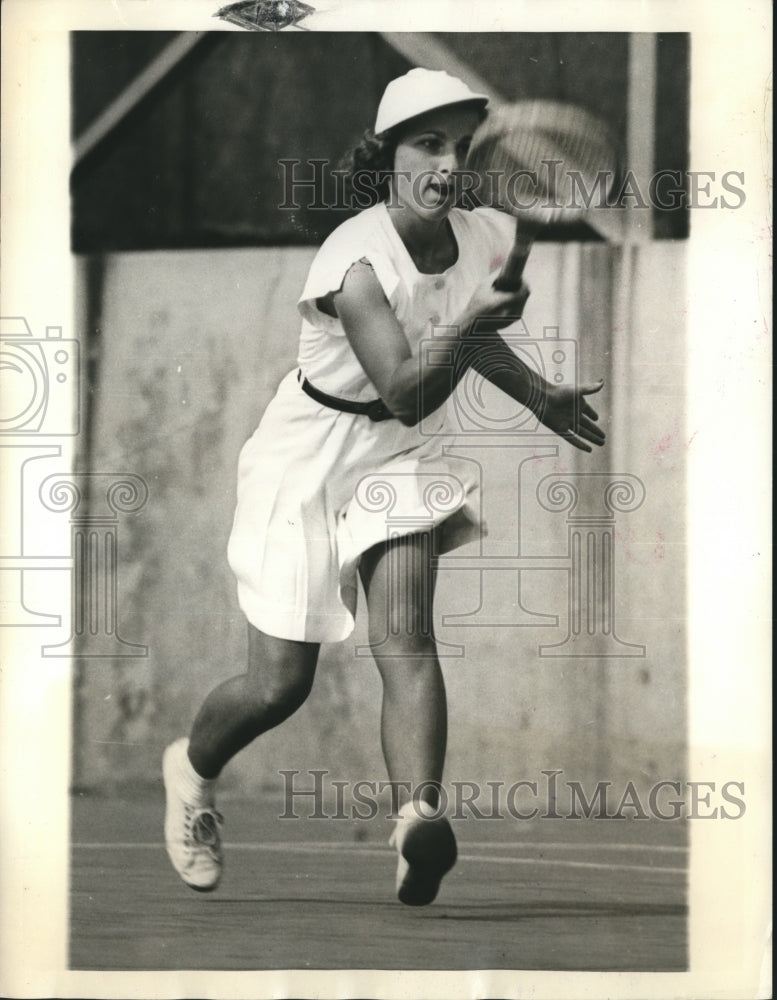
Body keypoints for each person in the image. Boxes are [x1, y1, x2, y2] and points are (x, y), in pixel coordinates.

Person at [163, 67, 606, 906]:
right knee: (279, 685)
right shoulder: (354, 261)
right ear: (386, 154)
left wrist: (538, 393)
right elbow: (405, 384)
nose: (447, 165)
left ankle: (416, 823)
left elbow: (457, 344)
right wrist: (473, 319)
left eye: (461, 148)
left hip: (399, 457)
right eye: (427, 145)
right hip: (305, 456)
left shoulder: (482, 234)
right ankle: (190, 770)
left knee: (405, 637)